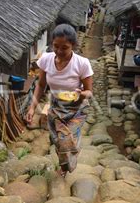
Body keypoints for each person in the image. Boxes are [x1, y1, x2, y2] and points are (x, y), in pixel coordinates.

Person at [26, 24, 93, 177]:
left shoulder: (82, 64)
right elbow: (41, 85)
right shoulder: (46, 60)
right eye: (56, 46)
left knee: (64, 140)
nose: (59, 51)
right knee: (56, 139)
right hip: (56, 106)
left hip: (77, 108)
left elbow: (89, 92)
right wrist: (32, 108)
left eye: (65, 47)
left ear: (73, 46)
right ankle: (68, 151)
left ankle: (64, 168)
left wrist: (81, 94)